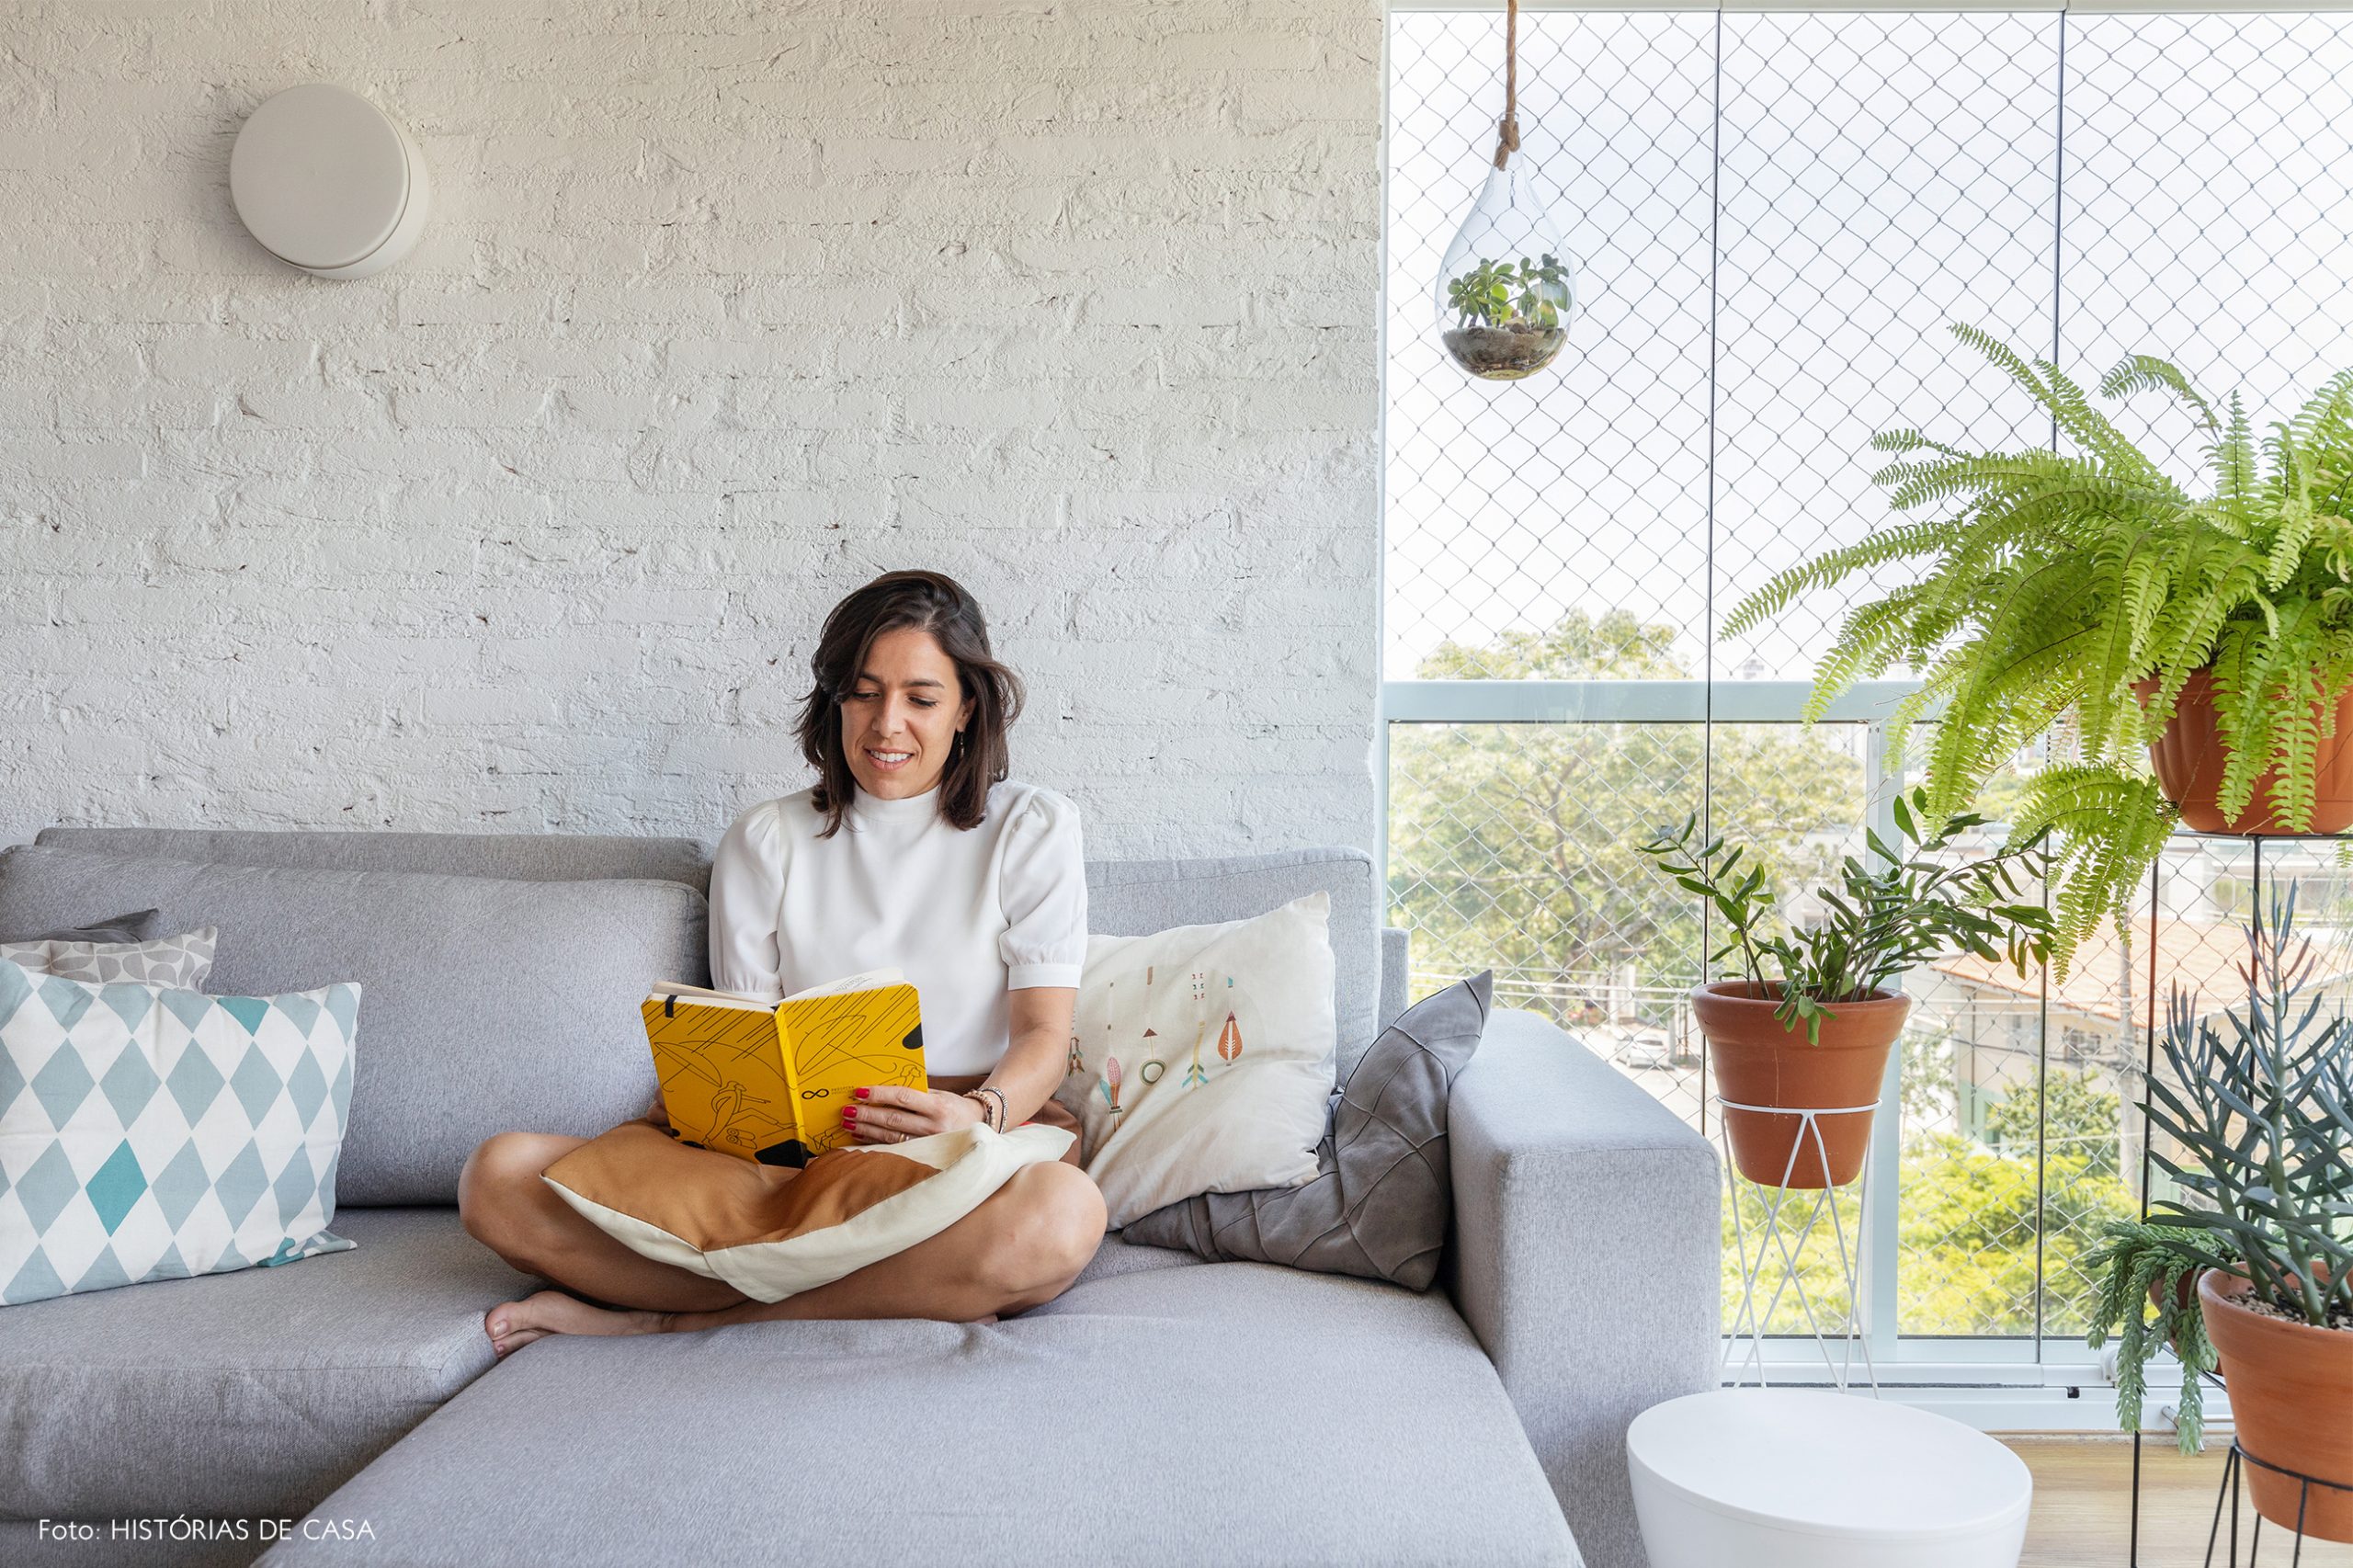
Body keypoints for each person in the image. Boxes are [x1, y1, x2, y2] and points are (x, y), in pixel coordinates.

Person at [458, 570, 1107, 1354]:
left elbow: (1043, 1034)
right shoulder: (768, 838)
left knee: (1063, 1215)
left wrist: (980, 1113)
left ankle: (671, 1318)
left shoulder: (1031, 827)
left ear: (968, 707)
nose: (887, 724)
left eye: (922, 699)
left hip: (964, 1141)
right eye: (864, 693)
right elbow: (748, 1033)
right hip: (794, 1152)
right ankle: (910, 1289)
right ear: (834, 699)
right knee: (496, 1179)